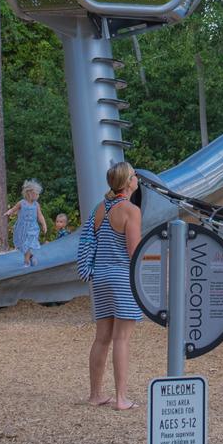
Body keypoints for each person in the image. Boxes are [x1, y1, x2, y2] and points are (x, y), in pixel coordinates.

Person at [85, 162, 143, 410]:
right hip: (122, 278)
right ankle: (121, 398)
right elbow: (134, 253)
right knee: (122, 338)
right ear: (128, 182)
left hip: (100, 278)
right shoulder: (131, 210)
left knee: (102, 339)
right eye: (134, 175)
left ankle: (95, 394)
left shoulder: (100, 209)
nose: (137, 178)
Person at [5, 180, 45, 266]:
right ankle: (31, 256)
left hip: (32, 227)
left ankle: (26, 262)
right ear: (30, 193)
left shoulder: (36, 205)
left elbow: (40, 215)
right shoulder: (21, 203)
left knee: (27, 244)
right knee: (23, 245)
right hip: (21, 227)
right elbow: (13, 209)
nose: (38, 196)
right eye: (36, 194)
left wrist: (44, 224)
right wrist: (9, 212)